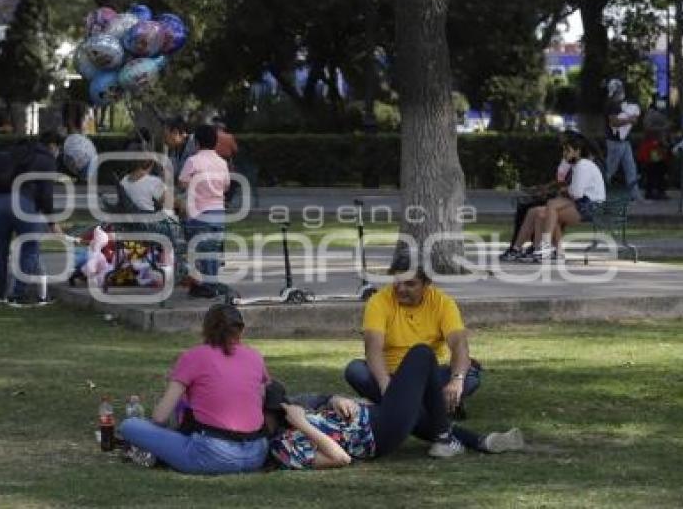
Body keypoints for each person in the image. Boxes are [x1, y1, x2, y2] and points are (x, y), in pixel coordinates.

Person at [266, 356, 524, 470]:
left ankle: (481, 442)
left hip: (373, 414)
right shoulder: (283, 447)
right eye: (279, 408)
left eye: (284, 404)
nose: (286, 407)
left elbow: (317, 399)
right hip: (378, 433)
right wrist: (303, 424)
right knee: (422, 355)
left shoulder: (291, 412)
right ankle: (445, 438)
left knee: (423, 416)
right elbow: (340, 459)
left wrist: (337, 399)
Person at [119, 305, 270, 474]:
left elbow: (159, 417)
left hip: (213, 454)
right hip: (256, 453)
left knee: (129, 425)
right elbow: (260, 399)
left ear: (205, 329)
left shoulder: (194, 356)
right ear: (240, 330)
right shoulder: (255, 356)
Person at [344, 252, 481, 427]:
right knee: (356, 371)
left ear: (427, 284)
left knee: (470, 378)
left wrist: (456, 380)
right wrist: (386, 386)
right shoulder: (378, 302)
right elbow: (373, 349)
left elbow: (459, 344)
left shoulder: (443, 303)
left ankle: (399, 407)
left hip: (429, 377)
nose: (401, 289)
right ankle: (436, 407)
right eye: (397, 282)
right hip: (391, 376)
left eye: (410, 284)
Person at [0, 130, 64, 306]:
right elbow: (46, 195)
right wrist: (52, 222)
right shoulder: (46, 160)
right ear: (53, 146)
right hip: (22, 202)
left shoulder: (15, 152)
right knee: (29, 246)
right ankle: (17, 294)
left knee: (0, 248)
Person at [509, 135, 606, 261]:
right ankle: (545, 251)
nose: (564, 154)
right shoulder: (578, 165)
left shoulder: (583, 165)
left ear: (577, 151)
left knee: (551, 206)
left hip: (591, 206)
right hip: (583, 204)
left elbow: (576, 193)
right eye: (564, 150)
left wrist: (565, 190)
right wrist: (565, 190)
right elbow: (574, 191)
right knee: (540, 213)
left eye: (568, 150)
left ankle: (546, 248)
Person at [179, 124, 230, 298]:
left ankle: (207, 286)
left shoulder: (192, 161)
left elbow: (183, 182)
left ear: (197, 143)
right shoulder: (222, 162)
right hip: (219, 213)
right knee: (214, 251)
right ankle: (212, 283)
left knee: (200, 250)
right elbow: (226, 185)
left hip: (199, 214)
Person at [604, 79, 641, 201]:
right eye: (620, 89)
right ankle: (598, 192)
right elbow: (614, 122)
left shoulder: (619, 104)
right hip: (615, 142)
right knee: (610, 170)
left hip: (623, 141)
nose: (622, 91)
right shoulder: (612, 105)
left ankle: (634, 195)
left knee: (631, 168)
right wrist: (630, 120)